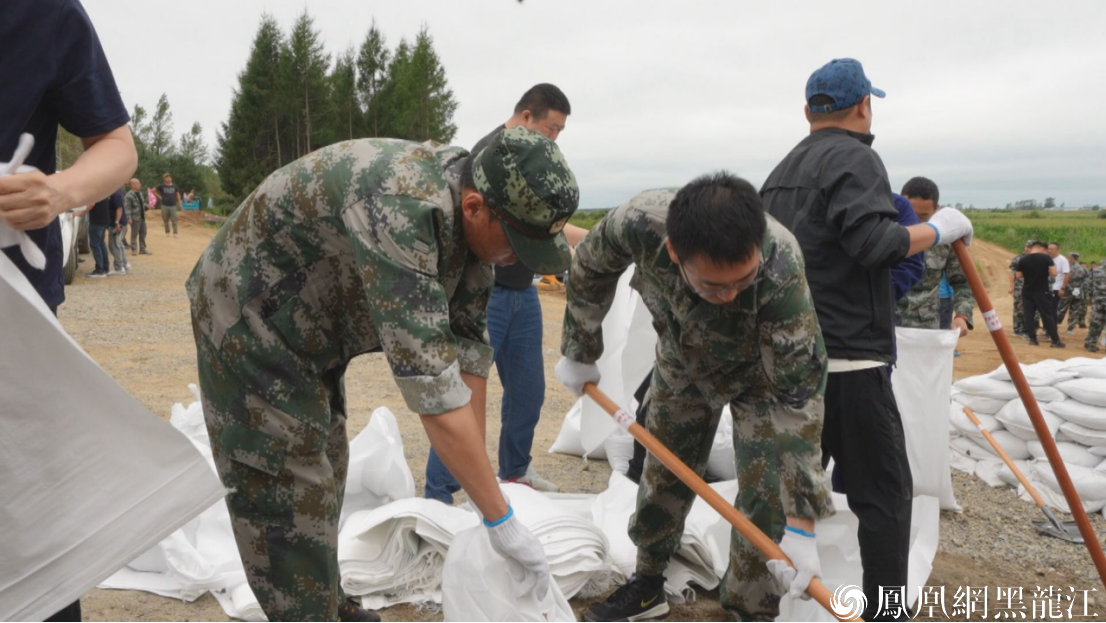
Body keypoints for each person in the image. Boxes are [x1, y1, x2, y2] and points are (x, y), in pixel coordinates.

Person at [188, 127, 579, 622]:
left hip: (309, 327)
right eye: (518, 244)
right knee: (285, 486)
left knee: (328, 462)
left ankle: (327, 603)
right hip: (249, 317)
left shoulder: (475, 225)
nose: (520, 261)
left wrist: (484, 502)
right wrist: (502, 520)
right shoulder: (403, 209)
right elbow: (435, 395)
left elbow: (466, 364)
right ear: (475, 207)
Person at [558, 173, 833, 622]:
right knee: (664, 468)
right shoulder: (638, 223)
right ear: (673, 252)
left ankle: (750, 611)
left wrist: (802, 522)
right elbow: (590, 265)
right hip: (682, 360)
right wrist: (580, 349)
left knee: (766, 493)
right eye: (712, 286)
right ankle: (648, 582)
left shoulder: (781, 266)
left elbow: (800, 399)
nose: (729, 296)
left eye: (742, 282)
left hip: (761, 375)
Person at [759, 58, 974, 621]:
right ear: (863, 106)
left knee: (791, 487)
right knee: (883, 497)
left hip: (790, 360)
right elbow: (875, 244)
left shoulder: (781, 171)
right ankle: (887, 612)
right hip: (850, 360)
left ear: (808, 111)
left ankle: (757, 600)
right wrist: (939, 229)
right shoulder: (855, 158)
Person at [0, 3, 136, 619]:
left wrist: (58, 191)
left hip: (15, 313)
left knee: (29, 520)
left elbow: (116, 145)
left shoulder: (45, 12)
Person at [425, 83, 587, 502]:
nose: (554, 138)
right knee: (462, 395)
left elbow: (543, 225)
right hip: (488, 292)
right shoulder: (491, 155)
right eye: (552, 128)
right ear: (527, 117)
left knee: (529, 390)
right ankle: (440, 495)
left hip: (524, 293)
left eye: (560, 132)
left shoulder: (535, 162)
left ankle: (515, 471)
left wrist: (590, 239)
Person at [896, 177, 975, 336]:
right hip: (886, 328)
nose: (915, 222)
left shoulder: (946, 240)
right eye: (910, 214)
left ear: (936, 209)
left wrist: (962, 315)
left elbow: (962, 282)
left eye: (923, 216)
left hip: (927, 331)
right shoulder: (884, 235)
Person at [1017, 241, 1064, 348]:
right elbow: (1054, 273)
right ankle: (1055, 340)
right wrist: (1044, 272)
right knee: (1047, 315)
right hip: (1042, 291)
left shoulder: (1023, 259)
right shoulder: (1046, 258)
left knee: (1029, 315)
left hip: (1027, 291)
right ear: (1042, 249)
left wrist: (1029, 273)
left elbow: (1018, 275)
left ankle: (1032, 339)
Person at [1009, 240, 1034, 339]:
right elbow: (1012, 273)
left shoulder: (1037, 258)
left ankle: (1029, 329)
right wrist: (1011, 286)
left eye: (1030, 247)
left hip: (1033, 287)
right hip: (1020, 287)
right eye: (1027, 247)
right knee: (1019, 308)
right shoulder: (1019, 258)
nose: (1028, 249)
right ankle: (1018, 330)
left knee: (1032, 309)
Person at [1060, 253, 1089, 333]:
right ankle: (1070, 328)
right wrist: (1080, 289)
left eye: (1068, 258)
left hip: (1066, 291)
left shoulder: (1066, 267)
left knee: (1061, 309)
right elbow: (1087, 282)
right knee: (1075, 310)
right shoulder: (1083, 269)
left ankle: (1055, 324)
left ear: (1071, 258)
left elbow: (1061, 278)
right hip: (1078, 292)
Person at [124, 178, 150, 254]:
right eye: (138, 183)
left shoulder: (140, 193)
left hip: (142, 217)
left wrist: (147, 206)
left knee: (143, 233)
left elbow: (141, 204)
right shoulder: (129, 195)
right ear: (133, 185)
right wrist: (129, 218)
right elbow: (127, 208)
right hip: (135, 218)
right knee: (134, 234)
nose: (140, 185)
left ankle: (143, 248)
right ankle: (134, 249)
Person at [107, 187, 128, 275]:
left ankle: (119, 268)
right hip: (120, 223)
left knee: (114, 246)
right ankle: (125, 264)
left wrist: (116, 222)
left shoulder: (115, 195)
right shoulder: (114, 194)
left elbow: (119, 209)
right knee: (119, 244)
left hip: (117, 224)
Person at [1086, 258, 1106, 353]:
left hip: (1098, 301)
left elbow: (1088, 284)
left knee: (1096, 322)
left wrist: (1090, 297)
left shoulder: (1096, 270)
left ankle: (1090, 343)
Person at [1049, 242, 1071, 316]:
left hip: (1056, 287)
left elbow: (1067, 274)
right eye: (1048, 249)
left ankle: (1053, 323)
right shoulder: (1046, 258)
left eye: (1052, 249)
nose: (1049, 250)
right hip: (1046, 288)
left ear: (1057, 250)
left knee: (1053, 309)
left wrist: (1063, 288)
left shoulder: (1062, 260)